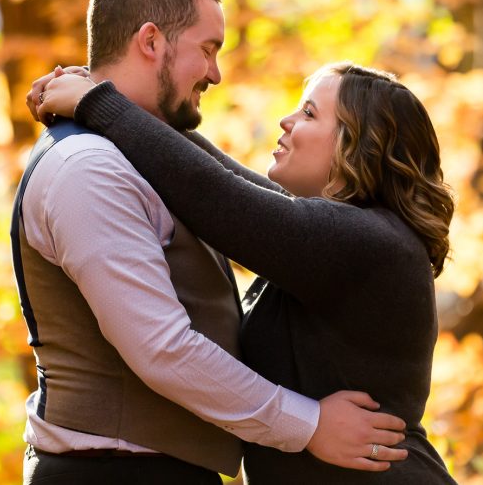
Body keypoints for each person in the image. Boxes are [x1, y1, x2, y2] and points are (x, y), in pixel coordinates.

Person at [12, 0, 409, 485]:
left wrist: (98, 99)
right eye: (208, 49)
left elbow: (242, 202)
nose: (217, 74)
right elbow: (163, 349)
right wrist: (309, 424)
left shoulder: (142, 157)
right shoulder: (90, 168)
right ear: (151, 42)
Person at [35, 61, 458, 483]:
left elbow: (220, 198)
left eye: (309, 113)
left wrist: (97, 102)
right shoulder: (337, 246)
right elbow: (222, 179)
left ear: (361, 145)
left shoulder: (372, 244)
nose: (286, 121)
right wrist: (107, 95)